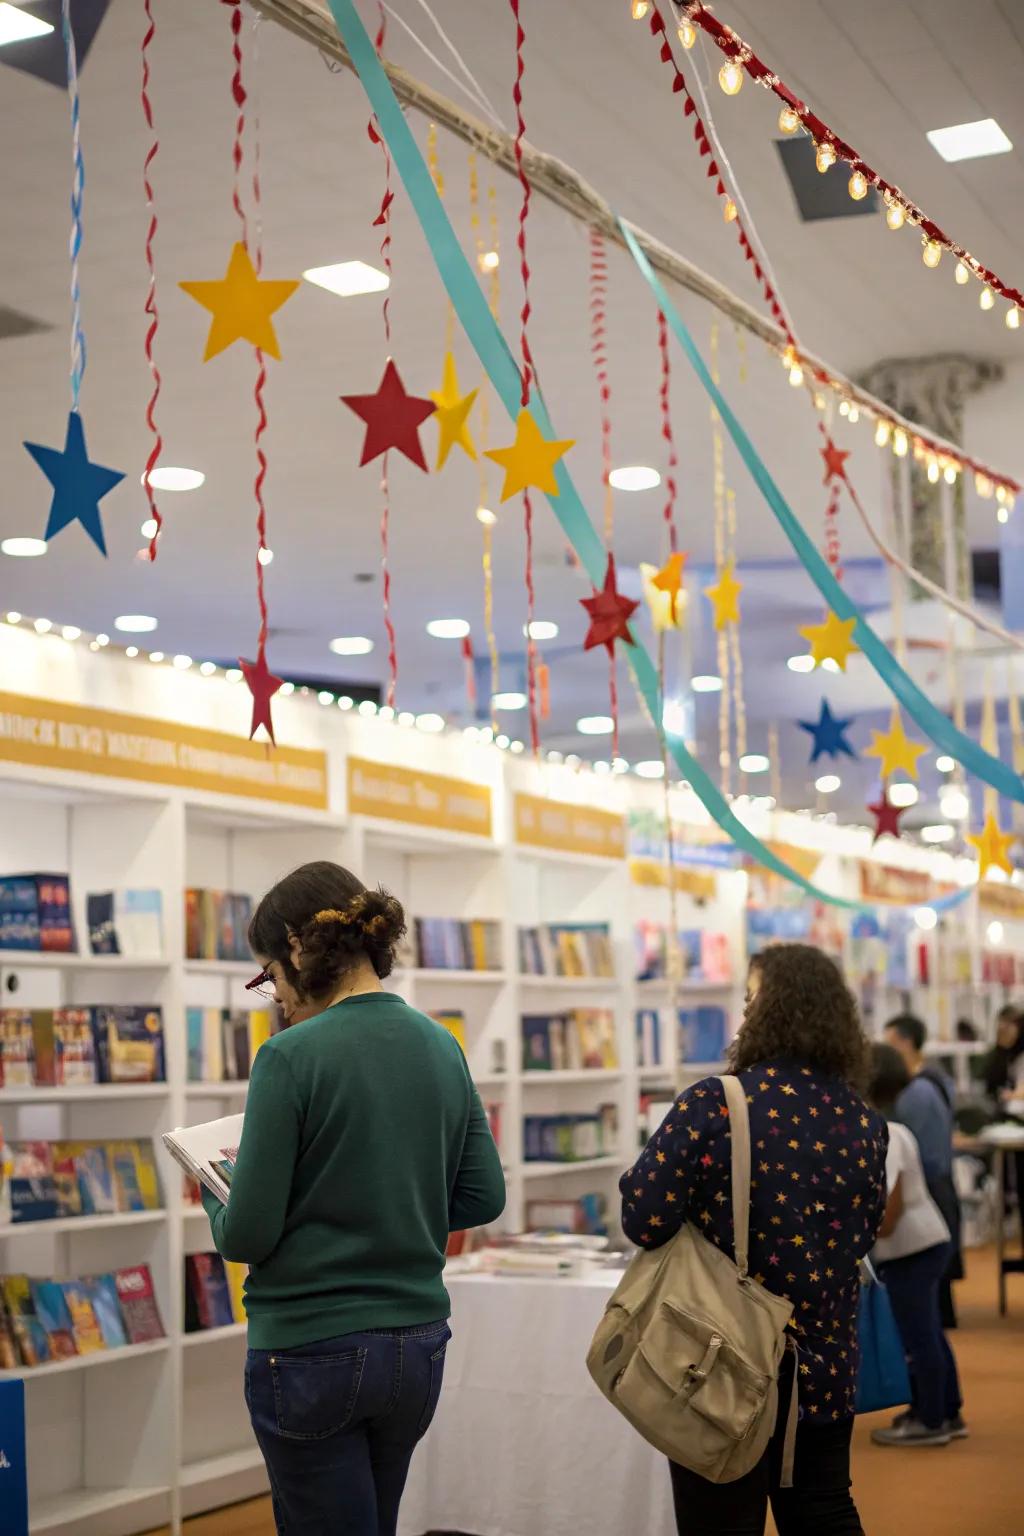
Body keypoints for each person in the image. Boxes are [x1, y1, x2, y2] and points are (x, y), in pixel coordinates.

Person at [201, 861, 506, 1536]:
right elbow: (484, 1195)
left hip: (310, 1348)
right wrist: (392, 1206)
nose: (275, 996)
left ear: (300, 947)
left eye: (269, 975)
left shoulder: (289, 1058)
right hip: (418, 1346)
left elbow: (246, 1237)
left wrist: (209, 1183)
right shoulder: (442, 1045)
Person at [620, 943, 888, 1536]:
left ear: (775, 1011)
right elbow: (867, 1232)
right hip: (825, 1368)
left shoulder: (716, 1103)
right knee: (824, 1510)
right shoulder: (864, 1119)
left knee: (719, 1522)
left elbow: (642, 1217)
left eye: (749, 1000)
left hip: (719, 1361)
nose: (742, 1016)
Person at [866, 1043, 965, 1448]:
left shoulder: (885, 1133)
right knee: (928, 1332)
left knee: (917, 1334)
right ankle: (945, 1408)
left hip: (913, 1248)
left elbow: (889, 1212)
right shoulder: (890, 1129)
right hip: (920, 1245)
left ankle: (931, 1418)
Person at [883, 1013, 962, 1327]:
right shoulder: (932, 1082)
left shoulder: (918, 1092)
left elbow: (927, 1155)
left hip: (929, 1191)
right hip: (932, 1190)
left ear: (905, 1042)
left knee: (927, 1314)